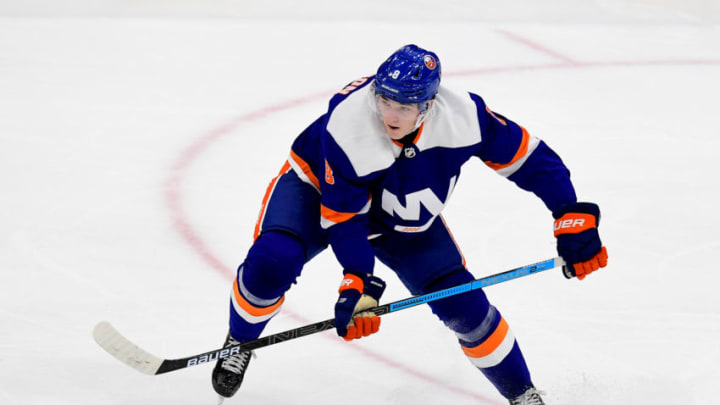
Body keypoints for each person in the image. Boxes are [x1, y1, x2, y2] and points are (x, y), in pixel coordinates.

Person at [211, 44, 608, 405]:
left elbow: (531, 160)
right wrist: (359, 281)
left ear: (430, 104)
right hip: (317, 189)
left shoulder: (464, 116)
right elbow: (346, 219)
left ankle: (523, 395)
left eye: (404, 107)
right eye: (384, 101)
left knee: (464, 305)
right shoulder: (349, 126)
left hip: (401, 211)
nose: (390, 115)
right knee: (272, 261)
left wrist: (569, 212)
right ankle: (239, 340)